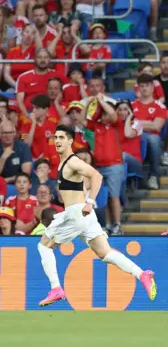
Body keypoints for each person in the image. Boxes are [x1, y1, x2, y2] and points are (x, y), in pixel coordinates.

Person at [36, 124, 156, 307]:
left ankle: (56, 289)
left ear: (70, 141)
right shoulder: (64, 163)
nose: (58, 141)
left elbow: (97, 176)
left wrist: (89, 202)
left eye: (62, 137)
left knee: (44, 246)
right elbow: (82, 187)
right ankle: (142, 274)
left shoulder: (72, 161)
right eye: (56, 137)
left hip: (77, 213)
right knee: (105, 253)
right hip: (84, 216)